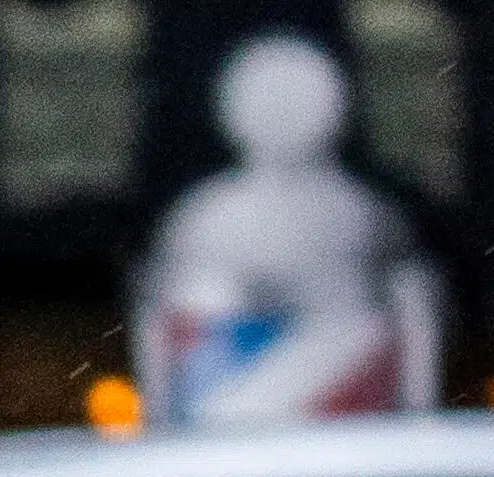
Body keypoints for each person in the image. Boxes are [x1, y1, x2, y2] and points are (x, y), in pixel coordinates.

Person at [138, 27, 452, 428]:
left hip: (320, 446)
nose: (282, 114)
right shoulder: (203, 219)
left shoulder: (368, 219)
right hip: (246, 444)